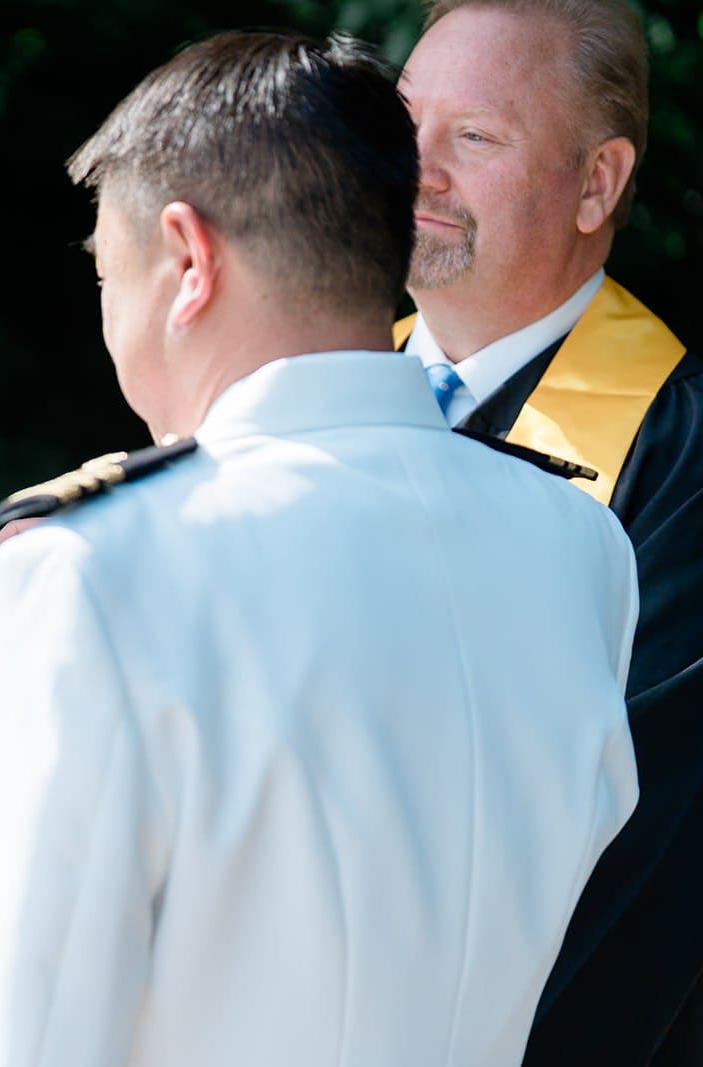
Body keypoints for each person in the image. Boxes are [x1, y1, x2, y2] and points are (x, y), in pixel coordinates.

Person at [0, 32, 639, 1066]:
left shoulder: (87, 574)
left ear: (187, 260)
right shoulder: (580, 544)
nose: (112, 316)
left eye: (110, 272)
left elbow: (10, 1032)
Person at [398, 3, 703, 1061]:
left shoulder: (679, 452)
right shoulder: (309, 381)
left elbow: (649, 844)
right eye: (403, 125)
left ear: (596, 183)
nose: (417, 169)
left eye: (473, 137)